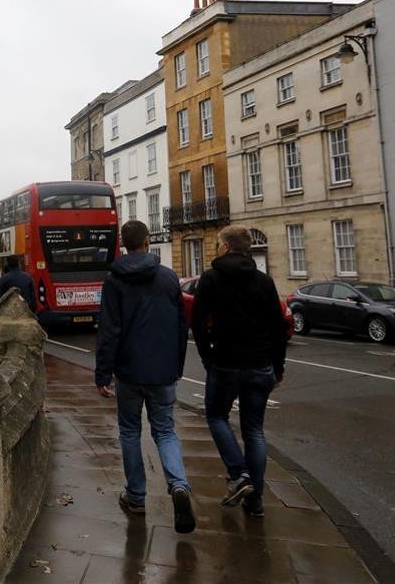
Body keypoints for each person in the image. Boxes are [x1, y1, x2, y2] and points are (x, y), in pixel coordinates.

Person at [95, 220, 195, 534]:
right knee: (165, 431)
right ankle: (178, 485)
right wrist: (177, 366)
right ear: (148, 241)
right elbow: (182, 327)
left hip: (129, 370)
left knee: (129, 431)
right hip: (162, 370)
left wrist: (103, 374)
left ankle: (136, 496)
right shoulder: (168, 278)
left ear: (123, 244)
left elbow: (109, 330)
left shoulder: (113, 280)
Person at [191, 225, 287, 518]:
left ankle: (238, 473)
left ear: (227, 247)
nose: (217, 249)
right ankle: (254, 503)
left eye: (219, 244)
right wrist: (278, 366)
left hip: (225, 363)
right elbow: (278, 327)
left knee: (217, 416)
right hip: (260, 364)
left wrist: (207, 355)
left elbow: (196, 322)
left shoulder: (211, 279)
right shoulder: (264, 281)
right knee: (254, 430)